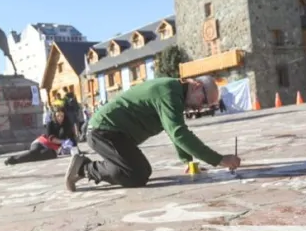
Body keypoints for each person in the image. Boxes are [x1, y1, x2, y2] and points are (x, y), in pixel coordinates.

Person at [64, 76, 240, 191]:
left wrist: (188, 161)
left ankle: (86, 167)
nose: (200, 107)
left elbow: (174, 130)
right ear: (196, 86)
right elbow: (178, 133)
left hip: (116, 134)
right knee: (137, 174)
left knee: (136, 172)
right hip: (103, 131)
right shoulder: (169, 92)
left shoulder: (175, 94)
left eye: (206, 106)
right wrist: (220, 160)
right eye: (203, 101)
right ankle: (83, 168)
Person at [5, 108, 77, 165]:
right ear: (54, 116)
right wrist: (63, 141)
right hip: (41, 142)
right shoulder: (50, 124)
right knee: (34, 152)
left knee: (48, 155)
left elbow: (73, 140)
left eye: (62, 116)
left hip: (52, 149)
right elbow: (51, 138)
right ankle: (13, 159)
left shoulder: (67, 125)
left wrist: (72, 146)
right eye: (58, 115)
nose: (60, 118)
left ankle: (18, 159)